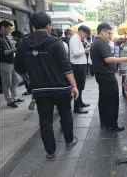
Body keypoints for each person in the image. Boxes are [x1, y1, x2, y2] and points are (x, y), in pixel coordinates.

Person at [14, 12, 79, 160]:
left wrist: (29, 81)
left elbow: (18, 68)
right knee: (65, 115)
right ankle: (69, 141)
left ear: (33, 25)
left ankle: (50, 152)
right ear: (49, 26)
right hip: (61, 88)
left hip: (40, 90)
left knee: (45, 121)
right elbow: (66, 67)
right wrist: (74, 86)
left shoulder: (23, 44)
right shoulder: (55, 42)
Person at [90, 23, 127, 132]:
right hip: (107, 77)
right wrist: (125, 59)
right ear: (103, 32)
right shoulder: (102, 43)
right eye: (109, 33)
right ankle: (112, 125)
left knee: (104, 99)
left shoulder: (96, 43)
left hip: (101, 76)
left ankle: (105, 121)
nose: (110, 36)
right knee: (112, 100)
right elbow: (108, 59)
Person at [0, 20, 24, 108]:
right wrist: (14, 50)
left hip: (11, 62)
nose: (10, 31)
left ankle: (15, 97)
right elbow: (1, 53)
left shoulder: (5, 37)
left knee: (15, 81)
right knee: (7, 83)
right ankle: (9, 101)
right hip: (4, 63)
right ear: (2, 28)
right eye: (8, 29)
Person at [69, 25, 91, 114]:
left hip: (80, 65)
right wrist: (87, 50)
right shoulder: (74, 39)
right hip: (77, 65)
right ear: (81, 32)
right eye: (85, 35)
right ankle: (76, 108)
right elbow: (75, 53)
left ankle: (80, 103)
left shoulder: (77, 39)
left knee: (81, 86)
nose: (85, 37)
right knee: (78, 87)